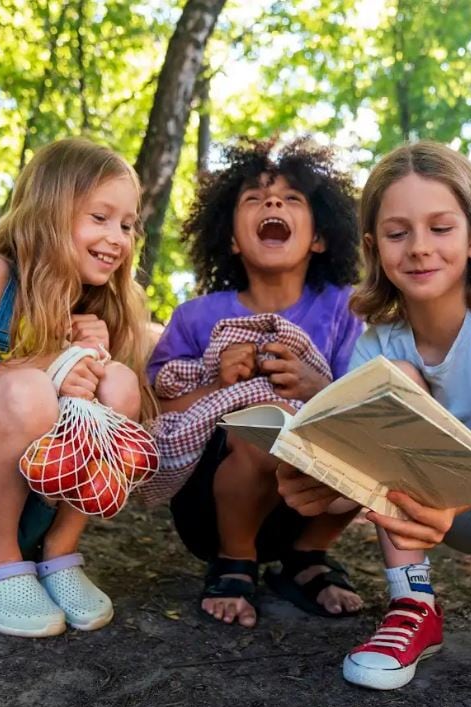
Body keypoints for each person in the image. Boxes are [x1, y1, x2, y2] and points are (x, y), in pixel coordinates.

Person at [279, 141, 471, 691]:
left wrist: (443, 499)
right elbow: (361, 475)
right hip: (432, 504)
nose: (420, 248)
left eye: (440, 228)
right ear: (376, 248)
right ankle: (412, 605)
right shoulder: (379, 341)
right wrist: (318, 483)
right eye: (399, 233)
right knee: (392, 380)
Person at [0, 138, 147, 638]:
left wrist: (86, 363)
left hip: (40, 505)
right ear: (51, 212)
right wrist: (43, 364)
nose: (117, 238)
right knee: (28, 389)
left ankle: (58, 551)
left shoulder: (97, 303)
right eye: (99, 217)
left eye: (127, 224)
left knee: (118, 382)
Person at [146, 138, 365, 628]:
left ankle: (308, 556)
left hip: (311, 503)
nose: (272, 204)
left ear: (320, 237)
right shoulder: (195, 317)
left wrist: (313, 385)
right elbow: (157, 410)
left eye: (292, 199)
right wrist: (218, 384)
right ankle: (235, 559)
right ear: (230, 238)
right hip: (211, 503)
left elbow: (363, 403)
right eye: (254, 198)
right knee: (262, 424)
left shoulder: (345, 308)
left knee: (374, 442)